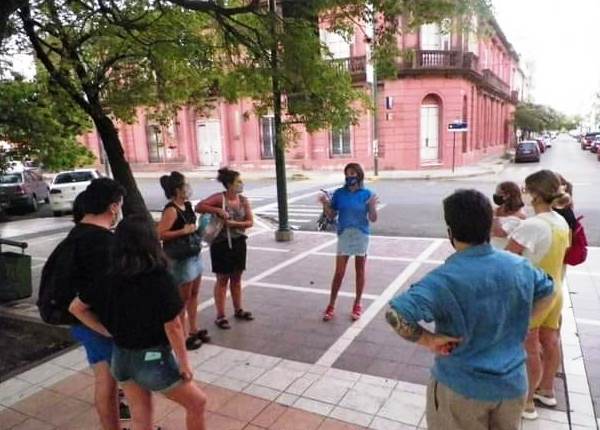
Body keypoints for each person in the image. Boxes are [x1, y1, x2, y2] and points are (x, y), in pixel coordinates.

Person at [386, 189, 555, 430]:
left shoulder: (443, 280)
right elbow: (549, 289)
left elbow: (396, 313)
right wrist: (527, 323)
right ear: (489, 226)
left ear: (450, 233)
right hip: (512, 387)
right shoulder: (519, 266)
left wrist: (429, 340)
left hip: (461, 390)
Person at [82, 215, 207, 430]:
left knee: (141, 418)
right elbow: (174, 326)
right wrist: (184, 363)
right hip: (152, 359)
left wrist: (106, 331)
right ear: (149, 241)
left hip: (120, 358)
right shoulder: (159, 277)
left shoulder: (107, 275)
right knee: (197, 402)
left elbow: (77, 307)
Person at [506, 170, 571, 420]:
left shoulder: (532, 225)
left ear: (534, 193)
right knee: (551, 341)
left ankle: (528, 402)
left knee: (530, 348)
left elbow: (508, 260)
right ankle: (547, 390)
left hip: (532, 295)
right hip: (555, 291)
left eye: (526, 189)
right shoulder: (560, 221)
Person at [67, 178, 125, 430]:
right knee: (107, 382)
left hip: (83, 320)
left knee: (106, 380)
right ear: (113, 207)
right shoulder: (102, 243)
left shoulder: (78, 233)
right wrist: (108, 331)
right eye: (120, 205)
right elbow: (99, 292)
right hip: (94, 321)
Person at [196, 167, 254, 330]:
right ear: (229, 184)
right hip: (221, 245)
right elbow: (199, 207)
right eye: (238, 182)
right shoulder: (219, 198)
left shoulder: (243, 200)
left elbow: (250, 222)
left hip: (238, 243)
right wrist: (217, 210)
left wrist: (235, 224)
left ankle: (238, 309)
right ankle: (220, 316)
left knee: (236, 278)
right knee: (222, 280)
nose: (241, 184)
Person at [319, 162, 378, 321]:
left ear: (359, 176)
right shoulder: (339, 193)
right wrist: (325, 204)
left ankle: (357, 304)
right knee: (339, 272)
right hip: (344, 234)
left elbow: (373, 218)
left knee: (360, 271)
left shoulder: (367, 194)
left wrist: (372, 206)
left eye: (353, 173)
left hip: (361, 235)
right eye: (347, 173)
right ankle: (331, 305)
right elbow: (331, 215)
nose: (350, 176)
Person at [158, 172, 209, 350]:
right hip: (180, 259)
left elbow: (192, 227)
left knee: (194, 294)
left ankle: (193, 328)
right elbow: (160, 234)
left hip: (194, 254)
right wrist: (183, 231)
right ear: (177, 190)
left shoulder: (187, 205)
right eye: (185, 185)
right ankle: (182, 334)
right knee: (182, 299)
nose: (188, 188)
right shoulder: (171, 210)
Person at [490, 181, 526, 249]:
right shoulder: (497, 209)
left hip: (505, 250)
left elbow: (500, 232)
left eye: (498, 193)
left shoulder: (520, 216)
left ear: (507, 195)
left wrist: (493, 216)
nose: (496, 195)